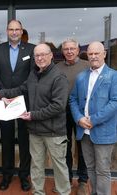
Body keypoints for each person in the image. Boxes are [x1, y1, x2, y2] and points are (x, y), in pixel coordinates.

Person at [0, 43, 71, 194]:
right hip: (35, 131)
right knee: (36, 166)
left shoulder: (58, 76)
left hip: (54, 132)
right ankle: (38, 192)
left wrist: (33, 115)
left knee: (59, 167)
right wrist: (2, 93)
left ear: (51, 56)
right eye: (37, 56)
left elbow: (58, 106)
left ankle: (63, 192)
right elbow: (22, 89)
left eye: (43, 55)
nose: (40, 58)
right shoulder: (34, 74)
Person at [0, 19, 34, 191]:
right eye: (11, 29)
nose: (14, 32)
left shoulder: (30, 49)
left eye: (17, 29)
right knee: (6, 140)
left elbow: (31, 76)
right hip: (4, 101)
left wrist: (15, 94)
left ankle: (24, 176)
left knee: (25, 141)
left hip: (24, 100)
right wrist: (3, 93)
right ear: (7, 31)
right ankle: (6, 175)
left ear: (22, 31)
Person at [69, 41, 117, 195]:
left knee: (102, 170)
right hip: (84, 131)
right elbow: (73, 99)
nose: (94, 56)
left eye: (97, 53)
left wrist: (93, 120)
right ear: (87, 56)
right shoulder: (81, 77)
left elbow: (115, 102)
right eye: (90, 54)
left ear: (104, 54)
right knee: (90, 167)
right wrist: (78, 118)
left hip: (103, 131)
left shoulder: (113, 76)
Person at [57, 38, 89, 194]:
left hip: (81, 114)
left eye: (72, 49)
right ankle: (66, 180)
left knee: (82, 147)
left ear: (77, 50)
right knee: (65, 148)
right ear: (62, 51)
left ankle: (83, 181)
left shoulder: (87, 66)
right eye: (66, 49)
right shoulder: (57, 68)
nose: (69, 51)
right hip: (62, 113)